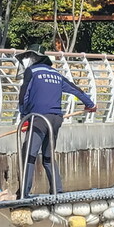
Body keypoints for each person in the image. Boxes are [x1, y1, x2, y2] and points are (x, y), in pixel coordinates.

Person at [15, 49, 96, 198]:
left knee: (29, 155)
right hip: (55, 119)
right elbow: (75, 89)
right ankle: (57, 191)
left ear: (33, 58)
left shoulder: (31, 72)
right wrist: (90, 104)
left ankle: (24, 194)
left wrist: (24, 117)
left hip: (38, 118)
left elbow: (23, 95)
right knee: (48, 156)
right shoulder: (56, 74)